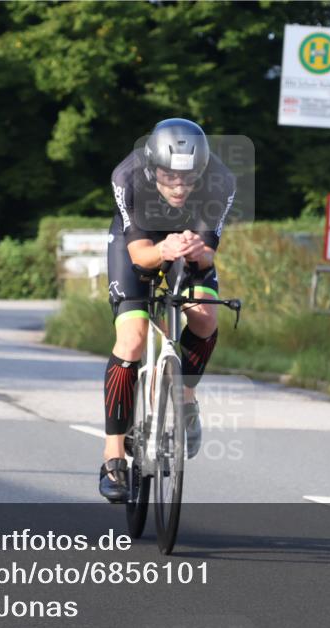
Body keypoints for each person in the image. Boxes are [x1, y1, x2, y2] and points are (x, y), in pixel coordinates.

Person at [99, 118, 236, 501]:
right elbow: (141, 257)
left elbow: (208, 252)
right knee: (132, 337)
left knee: (206, 314)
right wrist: (163, 250)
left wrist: (193, 249)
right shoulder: (127, 177)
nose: (179, 185)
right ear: (151, 166)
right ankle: (113, 454)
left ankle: (186, 397)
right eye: (169, 175)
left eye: (189, 177)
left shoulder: (220, 180)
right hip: (139, 243)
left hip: (189, 240)